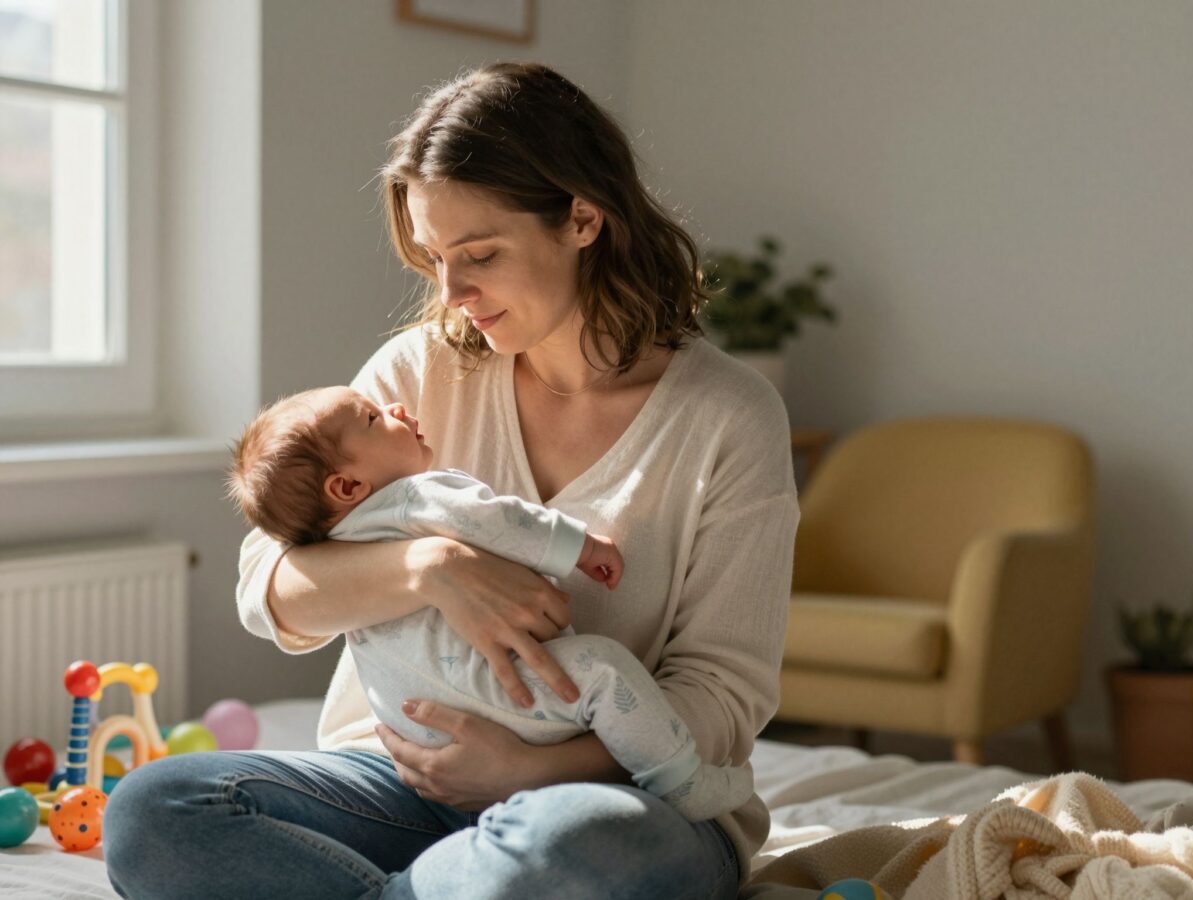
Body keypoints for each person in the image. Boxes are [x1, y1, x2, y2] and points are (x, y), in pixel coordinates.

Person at [104, 61, 799, 899]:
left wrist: (525, 769)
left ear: (583, 217)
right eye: (433, 257)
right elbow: (269, 586)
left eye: (478, 255)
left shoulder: (729, 416)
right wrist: (434, 571)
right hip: (404, 786)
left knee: (568, 848)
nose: (451, 292)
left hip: (614, 798)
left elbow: (724, 696)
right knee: (158, 807)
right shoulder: (417, 373)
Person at [224, 384, 753, 822]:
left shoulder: (327, 539)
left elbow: (723, 683)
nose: (396, 407)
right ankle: (679, 782)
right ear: (345, 484)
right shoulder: (415, 496)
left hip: (420, 738)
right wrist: (580, 547)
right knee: (606, 672)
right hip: (501, 700)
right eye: (373, 416)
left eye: (481, 255)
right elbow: (497, 519)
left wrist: (522, 772)